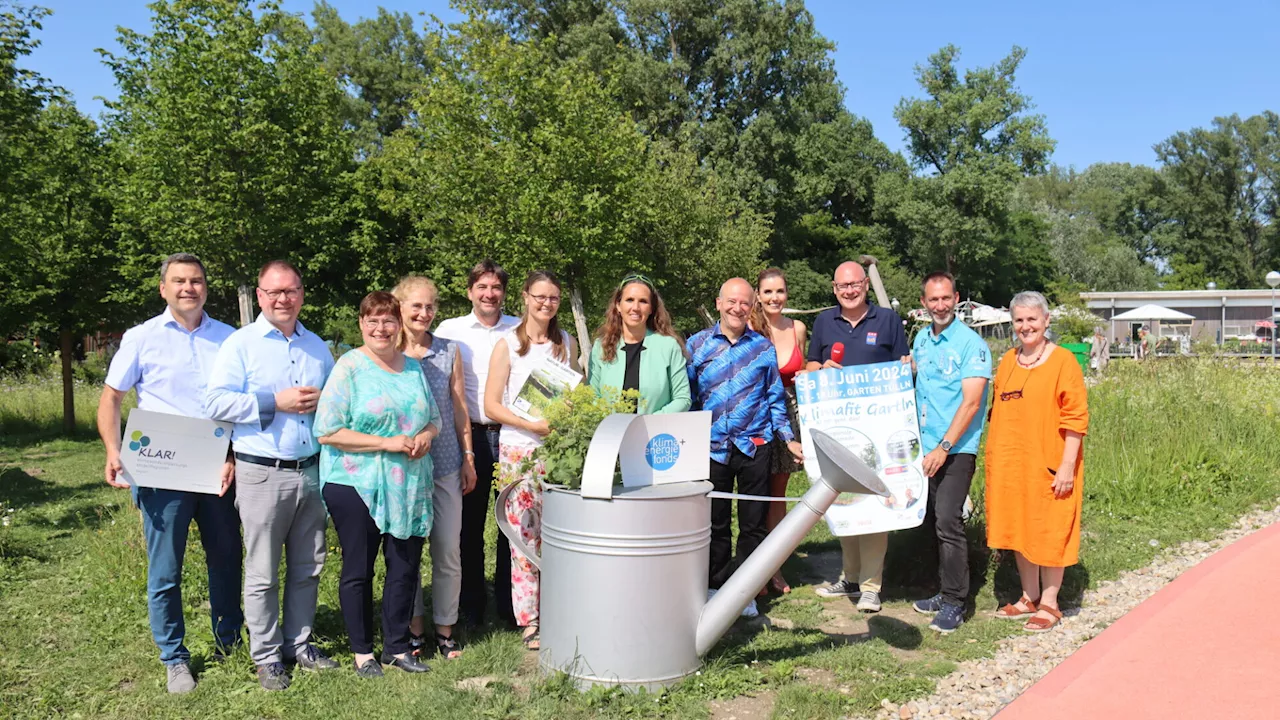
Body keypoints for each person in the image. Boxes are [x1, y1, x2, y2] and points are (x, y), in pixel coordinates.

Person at [96, 253, 242, 694]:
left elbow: (240, 405)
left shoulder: (231, 339)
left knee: (227, 560)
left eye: (196, 281)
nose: (188, 288)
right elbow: (111, 399)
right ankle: (175, 659)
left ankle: (229, 642)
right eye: (178, 281)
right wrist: (112, 450)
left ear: (205, 287)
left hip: (217, 469)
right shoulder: (142, 338)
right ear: (163, 288)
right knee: (165, 570)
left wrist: (233, 455)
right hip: (161, 470)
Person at [205, 260, 339, 690]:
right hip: (262, 472)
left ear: (302, 294)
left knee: (309, 565)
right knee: (262, 571)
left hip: (311, 471)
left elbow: (337, 403)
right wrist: (272, 402)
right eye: (274, 292)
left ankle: (297, 644)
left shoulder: (318, 346)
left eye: (291, 290)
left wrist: (325, 404)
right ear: (260, 296)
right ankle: (265, 656)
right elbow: (215, 403)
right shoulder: (240, 344)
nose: (283, 299)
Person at [315, 291, 441, 678]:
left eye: (388, 320)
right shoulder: (349, 367)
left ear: (399, 324)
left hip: (408, 482)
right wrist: (385, 443)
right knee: (359, 568)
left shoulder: (412, 368)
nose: (381, 328)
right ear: (361, 324)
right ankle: (362, 652)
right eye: (373, 321)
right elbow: (327, 430)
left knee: (404, 566)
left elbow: (433, 418)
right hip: (356, 481)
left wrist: (426, 436)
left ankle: (397, 647)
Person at [687, 278, 802, 619]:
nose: (738, 308)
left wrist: (787, 437)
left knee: (753, 524)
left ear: (752, 306)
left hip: (755, 445)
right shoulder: (696, 346)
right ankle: (716, 585)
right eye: (731, 301)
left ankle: (745, 591)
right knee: (715, 523)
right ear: (719, 303)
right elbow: (688, 397)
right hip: (712, 447)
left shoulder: (763, 348)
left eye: (745, 303)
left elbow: (774, 397)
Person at [484, 270, 578, 651]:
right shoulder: (507, 344)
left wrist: (565, 417)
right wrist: (530, 425)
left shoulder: (565, 343)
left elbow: (571, 394)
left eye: (553, 298)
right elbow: (490, 405)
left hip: (555, 453)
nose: (546, 304)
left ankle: (558, 609)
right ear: (525, 297)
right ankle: (530, 620)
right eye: (540, 297)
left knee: (555, 533)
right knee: (523, 535)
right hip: (518, 451)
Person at [808, 261, 909, 613]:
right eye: (842, 286)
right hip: (839, 428)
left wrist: (907, 367)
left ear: (865, 284)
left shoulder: (888, 320)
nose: (849, 291)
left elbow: (904, 365)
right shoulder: (823, 322)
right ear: (834, 289)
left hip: (879, 429)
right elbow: (809, 369)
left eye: (854, 284)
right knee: (844, 502)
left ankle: (871, 586)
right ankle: (849, 577)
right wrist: (821, 369)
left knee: (875, 503)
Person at [985, 291, 1088, 633]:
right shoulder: (1008, 361)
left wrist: (1067, 466)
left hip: (1050, 462)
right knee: (1019, 528)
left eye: (1032, 319)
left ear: (1046, 321)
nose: (1025, 326)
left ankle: (1050, 602)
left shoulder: (1063, 362)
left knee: (1048, 529)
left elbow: (1075, 419)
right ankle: (1027, 596)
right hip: (1012, 464)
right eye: (1019, 320)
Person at [435, 260, 520, 628]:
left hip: (512, 435)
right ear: (469, 291)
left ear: (504, 292)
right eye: (482, 287)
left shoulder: (520, 330)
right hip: (467, 436)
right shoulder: (450, 331)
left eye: (496, 287)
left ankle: (509, 602)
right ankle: (470, 604)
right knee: (467, 525)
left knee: (511, 523)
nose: (489, 294)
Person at [394, 276, 474, 660]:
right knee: (406, 551)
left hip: (444, 463)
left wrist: (469, 456)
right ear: (400, 307)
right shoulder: (387, 350)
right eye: (416, 306)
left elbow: (458, 406)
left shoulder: (448, 350)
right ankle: (413, 627)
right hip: (402, 466)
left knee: (447, 549)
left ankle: (445, 628)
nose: (424, 313)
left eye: (430, 307)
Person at [908, 272, 991, 633]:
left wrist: (945, 447)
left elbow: (972, 403)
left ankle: (957, 602)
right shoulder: (922, 340)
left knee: (948, 520)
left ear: (956, 298)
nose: (940, 305)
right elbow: (912, 375)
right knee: (932, 522)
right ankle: (943, 591)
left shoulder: (973, 345)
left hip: (956, 450)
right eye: (933, 299)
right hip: (925, 448)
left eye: (946, 298)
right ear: (924, 303)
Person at [747, 267, 807, 595]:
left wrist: (812, 369)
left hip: (789, 417)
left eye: (779, 291)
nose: (774, 298)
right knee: (755, 492)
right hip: (756, 419)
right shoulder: (750, 328)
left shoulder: (797, 328)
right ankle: (753, 569)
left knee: (778, 494)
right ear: (757, 295)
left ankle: (776, 568)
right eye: (768, 292)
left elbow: (805, 366)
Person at [587, 273, 690, 414]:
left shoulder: (668, 346)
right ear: (618, 305)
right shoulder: (601, 346)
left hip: (655, 433)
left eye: (643, 301)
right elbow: (593, 396)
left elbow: (682, 399)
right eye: (629, 300)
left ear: (651, 308)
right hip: (611, 432)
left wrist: (648, 424)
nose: (635, 307)